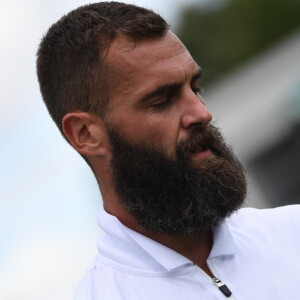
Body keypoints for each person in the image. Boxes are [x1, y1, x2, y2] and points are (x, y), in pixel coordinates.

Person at [36, 2, 300, 299]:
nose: (201, 113)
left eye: (195, 88)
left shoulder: (292, 234)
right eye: (162, 100)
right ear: (86, 134)